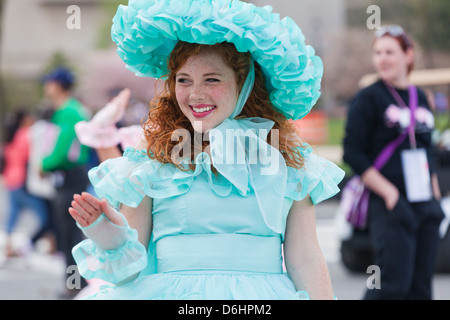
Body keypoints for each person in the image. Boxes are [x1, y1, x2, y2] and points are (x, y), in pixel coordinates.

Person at [68, 0, 344, 300]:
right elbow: (129, 273)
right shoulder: (153, 155)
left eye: (212, 80)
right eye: (184, 80)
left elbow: (305, 259)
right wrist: (110, 238)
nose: (196, 94)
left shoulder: (288, 161)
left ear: (246, 84)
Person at [343, 25, 444, 300]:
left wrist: (434, 192)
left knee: (420, 289)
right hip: (390, 203)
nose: (382, 59)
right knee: (391, 285)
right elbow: (352, 153)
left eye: (390, 52)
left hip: (424, 202)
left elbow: (426, 147)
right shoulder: (369, 97)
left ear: (408, 55)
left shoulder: (420, 96)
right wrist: (389, 194)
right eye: (378, 53)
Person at [41, 66, 91, 297]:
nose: (45, 87)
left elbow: (62, 149)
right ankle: (76, 283)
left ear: (57, 85)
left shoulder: (68, 110)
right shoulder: (72, 108)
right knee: (70, 231)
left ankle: (74, 285)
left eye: (48, 82)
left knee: (68, 233)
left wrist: (45, 164)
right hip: (74, 175)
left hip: (69, 175)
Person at [2, 110, 50, 257]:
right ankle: (44, 243)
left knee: (13, 215)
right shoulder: (26, 135)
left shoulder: (11, 136)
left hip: (11, 180)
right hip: (23, 181)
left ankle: (9, 247)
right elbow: (34, 155)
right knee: (44, 215)